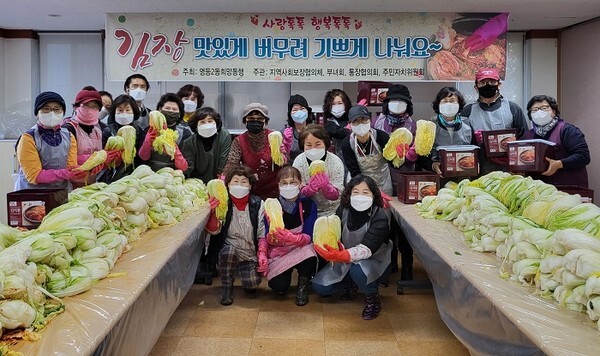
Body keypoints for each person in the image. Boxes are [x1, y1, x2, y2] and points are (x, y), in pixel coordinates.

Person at [312, 175, 391, 320]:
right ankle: (352, 283)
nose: (360, 196)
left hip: (373, 260)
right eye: (356, 192)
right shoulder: (343, 209)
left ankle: (372, 299)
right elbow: (335, 233)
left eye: (365, 192)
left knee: (358, 270)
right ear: (349, 194)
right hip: (345, 258)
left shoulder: (380, 217)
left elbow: (368, 248)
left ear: (374, 195)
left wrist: (342, 256)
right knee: (321, 288)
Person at [205, 165, 265, 306]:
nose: (239, 185)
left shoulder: (258, 204)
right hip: (229, 248)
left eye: (244, 182)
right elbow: (213, 231)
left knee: (252, 284)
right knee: (229, 252)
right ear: (228, 185)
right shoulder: (223, 203)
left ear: (250, 186)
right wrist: (213, 213)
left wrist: (262, 252)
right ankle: (226, 285)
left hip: (249, 251)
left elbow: (262, 232)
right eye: (235, 181)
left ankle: (245, 271)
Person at [257, 166, 318, 306]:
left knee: (310, 253)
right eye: (284, 183)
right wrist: (263, 252)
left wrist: (294, 239)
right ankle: (284, 277)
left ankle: (303, 284)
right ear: (278, 185)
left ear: (300, 183)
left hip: (300, 247)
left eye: (293, 182)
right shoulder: (272, 205)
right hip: (280, 251)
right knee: (279, 287)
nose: (288, 186)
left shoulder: (308, 204)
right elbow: (266, 235)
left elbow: (309, 234)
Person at [461, 68, 529, 175]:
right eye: (482, 83)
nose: (487, 85)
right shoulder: (467, 111)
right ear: (476, 87)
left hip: (509, 170)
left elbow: (525, 138)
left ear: (499, 85)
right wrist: (474, 139)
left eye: (492, 82)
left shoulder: (512, 108)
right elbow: (462, 142)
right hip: (479, 169)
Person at [15, 91, 86, 190]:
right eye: (46, 109)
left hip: (61, 193)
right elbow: (34, 176)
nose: (52, 113)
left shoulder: (69, 136)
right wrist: (65, 173)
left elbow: (71, 167)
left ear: (63, 113)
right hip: (32, 195)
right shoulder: (28, 138)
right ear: (37, 113)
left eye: (57, 109)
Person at [522, 95, 590, 188]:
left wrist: (559, 164)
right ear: (530, 115)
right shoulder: (527, 136)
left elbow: (584, 156)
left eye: (544, 108)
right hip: (539, 191)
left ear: (553, 112)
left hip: (568, 189)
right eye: (535, 109)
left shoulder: (567, 130)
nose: (539, 112)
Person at [224, 102, 284, 200]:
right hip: (250, 192)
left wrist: (283, 155)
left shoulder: (274, 137)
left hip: (275, 192)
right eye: (251, 119)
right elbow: (231, 163)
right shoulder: (239, 141)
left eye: (260, 119)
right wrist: (224, 180)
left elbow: (284, 164)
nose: (255, 122)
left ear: (266, 122)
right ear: (245, 121)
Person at [292, 124, 343, 217]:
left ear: (325, 144)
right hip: (307, 210)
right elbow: (296, 190)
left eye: (318, 144)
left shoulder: (335, 161)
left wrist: (327, 187)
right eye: (309, 145)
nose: (313, 148)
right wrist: (308, 189)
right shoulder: (298, 161)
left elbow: (337, 194)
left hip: (333, 210)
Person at [423, 87, 475, 178]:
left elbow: (474, 149)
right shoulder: (429, 126)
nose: (448, 104)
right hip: (438, 176)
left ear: (459, 104)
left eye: (452, 101)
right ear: (438, 105)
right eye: (444, 101)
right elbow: (421, 156)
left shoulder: (467, 124)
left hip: (463, 175)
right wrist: (432, 165)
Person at [98, 94, 144, 183]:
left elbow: (141, 157)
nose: (124, 113)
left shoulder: (139, 131)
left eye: (127, 110)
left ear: (134, 112)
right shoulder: (108, 131)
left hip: (135, 176)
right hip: (111, 177)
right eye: (120, 110)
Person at [138, 93, 190, 172]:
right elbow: (143, 157)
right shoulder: (149, 129)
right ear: (160, 109)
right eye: (167, 108)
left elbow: (184, 167)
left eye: (174, 109)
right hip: (150, 173)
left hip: (172, 174)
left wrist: (174, 148)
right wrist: (147, 141)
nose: (171, 111)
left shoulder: (185, 133)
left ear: (180, 114)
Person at [181, 106, 232, 183]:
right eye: (202, 122)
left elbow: (223, 161)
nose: (207, 124)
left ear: (216, 123)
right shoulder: (189, 142)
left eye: (210, 121)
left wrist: (220, 180)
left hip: (218, 182)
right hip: (196, 183)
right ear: (196, 126)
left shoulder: (224, 136)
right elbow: (188, 168)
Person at [62, 89, 107, 172]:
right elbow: (64, 158)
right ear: (76, 107)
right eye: (86, 105)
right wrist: (95, 158)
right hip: (72, 180)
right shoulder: (68, 129)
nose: (90, 110)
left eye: (94, 107)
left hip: (94, 181)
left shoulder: (100, 129)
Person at [282, 94, 314, 162]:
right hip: (291, 169)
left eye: (302, 109)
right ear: (290, 114)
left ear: (308, 111)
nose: (299, 112)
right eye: (295, 110)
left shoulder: (315, 131)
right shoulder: (284, 133)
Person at [323, 89, 352, 159]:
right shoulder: (329, 123)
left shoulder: (350, 119)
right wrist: (350, 128)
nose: (336, 106)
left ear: (346, 104)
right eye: (333, 104)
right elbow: (340, 133)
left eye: (339, 103)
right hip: (338, 160)